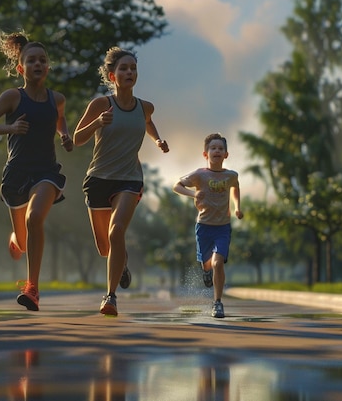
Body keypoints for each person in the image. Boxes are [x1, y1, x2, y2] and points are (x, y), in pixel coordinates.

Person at [0, 31, 73, 311]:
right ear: (21, 68)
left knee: (34, 219)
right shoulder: (11, 97)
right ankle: (15, 240)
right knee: (22, 239)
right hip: (16, 173)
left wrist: (64, 135)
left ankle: (32, 289)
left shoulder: (57, 99)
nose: (38, 64)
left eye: (42, 60)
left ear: (48, 66)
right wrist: (10, 128)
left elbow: (60, 120)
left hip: (46, 172)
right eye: (31, 61)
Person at [73, 46, 169, 316]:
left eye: (133, 68)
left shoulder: (145, 106)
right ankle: (121, 262)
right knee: (105, 248)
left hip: (129, 179)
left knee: (117, 233)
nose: (129, 72)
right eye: (124, 69)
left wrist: (158, 139)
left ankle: (110, 297)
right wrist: (97, 123)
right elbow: (77, 139)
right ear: (112, 75)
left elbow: (147, 121)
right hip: (98, 178)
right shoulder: (101, 105)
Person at [172, 133, 243, 318]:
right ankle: (206, 271)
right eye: (213, 148)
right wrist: (192, 194)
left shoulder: (231, 175)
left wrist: (237, 208)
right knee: (207, 265)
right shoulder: (199, 174)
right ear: (206, 154)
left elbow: (235, 187)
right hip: (203, 227)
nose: (217, 151)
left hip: (222, 228)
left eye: (220, 148)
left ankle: (217, 303)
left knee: (218, 263)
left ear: (226, 154)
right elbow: (177, 185)